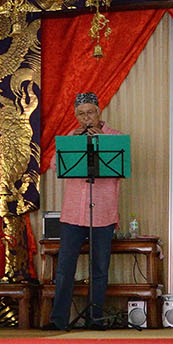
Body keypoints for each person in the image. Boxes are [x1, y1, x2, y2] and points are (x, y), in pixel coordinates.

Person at [49, 92, 120, 331]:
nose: (86, 118)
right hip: (73, 214)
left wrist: (102, 143)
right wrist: (76, 142)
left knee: (99, 268)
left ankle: (95, 318)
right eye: (81, 114)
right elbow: (55, 167)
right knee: (64, 268)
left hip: (103, 213)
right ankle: (58, 320)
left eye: (90, 112)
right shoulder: (71, 137)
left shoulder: (115, 137)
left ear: (99, 112)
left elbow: (121, 168)